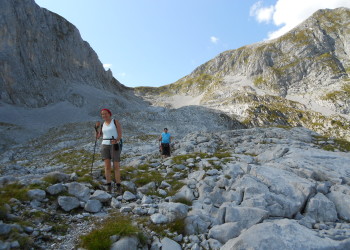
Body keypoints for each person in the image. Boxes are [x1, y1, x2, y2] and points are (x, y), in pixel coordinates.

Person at [96, 108, 122, 193]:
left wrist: (116, 140)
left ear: (109, 114)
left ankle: (118, 185)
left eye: (105, 113)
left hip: (114, 144)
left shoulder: (115, 121)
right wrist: (96, 128)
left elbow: (120, 134)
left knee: (116, 166)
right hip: (104, 144)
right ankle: (109, 185)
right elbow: (98, 136)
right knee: (107, 166)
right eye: (102, 114)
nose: (104, 115)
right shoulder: (103, 124)